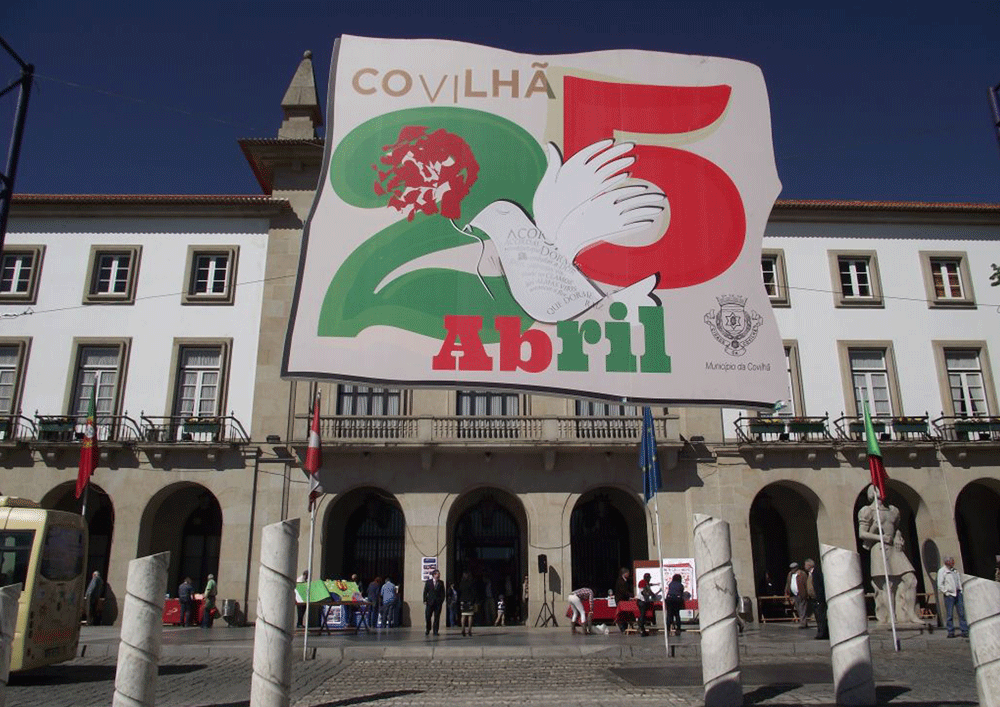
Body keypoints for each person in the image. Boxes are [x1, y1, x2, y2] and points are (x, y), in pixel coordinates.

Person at [857, 485, 922, 624]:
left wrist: (898, 536)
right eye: (878, 487)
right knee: (887, 585)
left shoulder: (893, 510)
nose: (882, 490)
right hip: (879, 548)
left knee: (911, 579)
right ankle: (890, 616)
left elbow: (896, 528)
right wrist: (880, 537)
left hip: (894, 549)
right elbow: (862, 533)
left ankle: (911, 613)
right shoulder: (867, 511)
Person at [937, 557, 969, 638]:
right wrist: (946, 592)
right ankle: (950, 632)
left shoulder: (955, 570)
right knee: (949, 615)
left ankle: (964, 631)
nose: (953, 563)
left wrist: (961, 590)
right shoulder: (942, 571)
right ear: (947, 562)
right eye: (951, 562)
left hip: (958, 593)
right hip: (950, 595)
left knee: (961, 613)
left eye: (953, 562)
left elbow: (958, 580)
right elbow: (940, 584)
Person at [805, 559, 827, 640]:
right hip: (813, 599)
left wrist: (819, 597)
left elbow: (820, 586)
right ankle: (820, 632)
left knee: (821, 617)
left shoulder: (816, 573)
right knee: (817, 617)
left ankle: (822, 633)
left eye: (806, 565)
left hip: (818, 599)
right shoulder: (809, 574)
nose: (804, 566)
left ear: (810, 565)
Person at [785, 562, 809, 629]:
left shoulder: (802, 574)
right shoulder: (790, 574)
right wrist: (787, 592)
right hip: (794, 594)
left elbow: (806, 583)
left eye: (793, 568)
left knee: (802, 608)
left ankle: (803, 623)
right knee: (798, 609)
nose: (792, 570)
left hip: (802, 593)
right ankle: (803, 622)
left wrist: (807, 593)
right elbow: (788, 583)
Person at [636, 573, 660, 637]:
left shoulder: (645, 582)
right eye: (649, 578)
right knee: (642, 615)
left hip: (643, 601)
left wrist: (656, 584)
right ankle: (642, 628)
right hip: (642, 601)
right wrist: (652, 595)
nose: (650, 579)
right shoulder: (643, 583)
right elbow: (646, 591)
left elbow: (649, 585)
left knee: (644, 615)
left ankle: (643, 627)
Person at [423, 569, 445, 636]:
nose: (438, 575)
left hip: (438, 603)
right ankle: (428, 628)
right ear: (434, 575)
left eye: (439, 574)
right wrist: (425, 600)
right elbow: (425, 591)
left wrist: (441, 600)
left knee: (437, 617)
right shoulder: (428, 582)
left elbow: (443, 593)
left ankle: (435, 631)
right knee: (428, 616)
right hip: (430, 602)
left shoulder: (441, 583)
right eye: (437, 574)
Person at [614, 567, 633, 633]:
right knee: (621, 613)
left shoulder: (627, 581)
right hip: (620, 599)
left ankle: (626, 626)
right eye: (627, 573)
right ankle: (622, 627)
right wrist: (631, 595)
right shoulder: (620, 581)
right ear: (624, 574)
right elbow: (623, 591)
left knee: (626, 613)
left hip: (625, 599)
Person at [459, 570, 476, 636]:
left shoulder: (461, 583)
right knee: (470, 615)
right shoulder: (471, 583)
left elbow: (459, 591)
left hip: (463, 600)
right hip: (469, 600)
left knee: (463, 615)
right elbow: (473, 592)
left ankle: (463, 629)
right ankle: (469, 630)